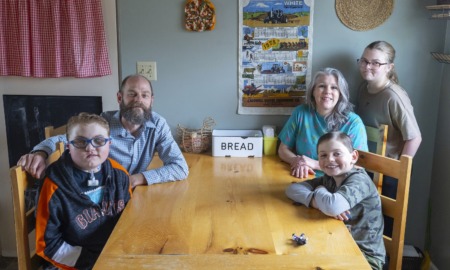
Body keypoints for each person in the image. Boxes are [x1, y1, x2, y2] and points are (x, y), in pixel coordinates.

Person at [17, 74, 189, 188]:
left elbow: (180, 168)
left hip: (133, 196)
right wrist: (40, 153)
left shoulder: (158, 125)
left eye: (144, 95)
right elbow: (62, 140)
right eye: (132, 94)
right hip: (101, 199)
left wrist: (136, 179)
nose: (139, 100)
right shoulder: (102, 124)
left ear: (151, 101)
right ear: (119, 98)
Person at [36, 113, 133, 269]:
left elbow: (129, 220)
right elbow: (48, 244)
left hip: (113, 256)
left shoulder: (120, 175)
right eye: (80, 142)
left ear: (109, 144)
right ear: (68, 146)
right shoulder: (53, 186)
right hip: (72, 262)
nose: (90, 147)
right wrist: (92, 263)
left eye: (99, 141)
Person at [285, 131, 385, 270]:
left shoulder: (359, 180)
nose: (330, 159)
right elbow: (292, 189)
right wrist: (318, 202)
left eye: (337, 153)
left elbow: (333, 206)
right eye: (323, 155)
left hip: (364, 258)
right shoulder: (330, 178)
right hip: (336, 244)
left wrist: (319, 189)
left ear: (353, 156)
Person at [356, 41, 422, 237]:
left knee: (384, 228)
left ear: (389, 67)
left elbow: (415, 138)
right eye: (365, 61)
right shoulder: (363, 88)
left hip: (388, 173)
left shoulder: (394, 96)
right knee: (363, 226)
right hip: (365, 168)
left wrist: (399, 172)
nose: (368, 66)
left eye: (376, 63)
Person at [278, 67, 368, 178]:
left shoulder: (353, 122)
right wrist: (297, 161)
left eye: (334, 87)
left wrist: (316, 164)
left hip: (340, 184)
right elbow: (283, 149)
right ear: (313, 91)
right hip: (304, 178)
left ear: (340, 94)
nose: (327, 91)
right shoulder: (301, 113)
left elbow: (359, 165)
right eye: (322, 86)